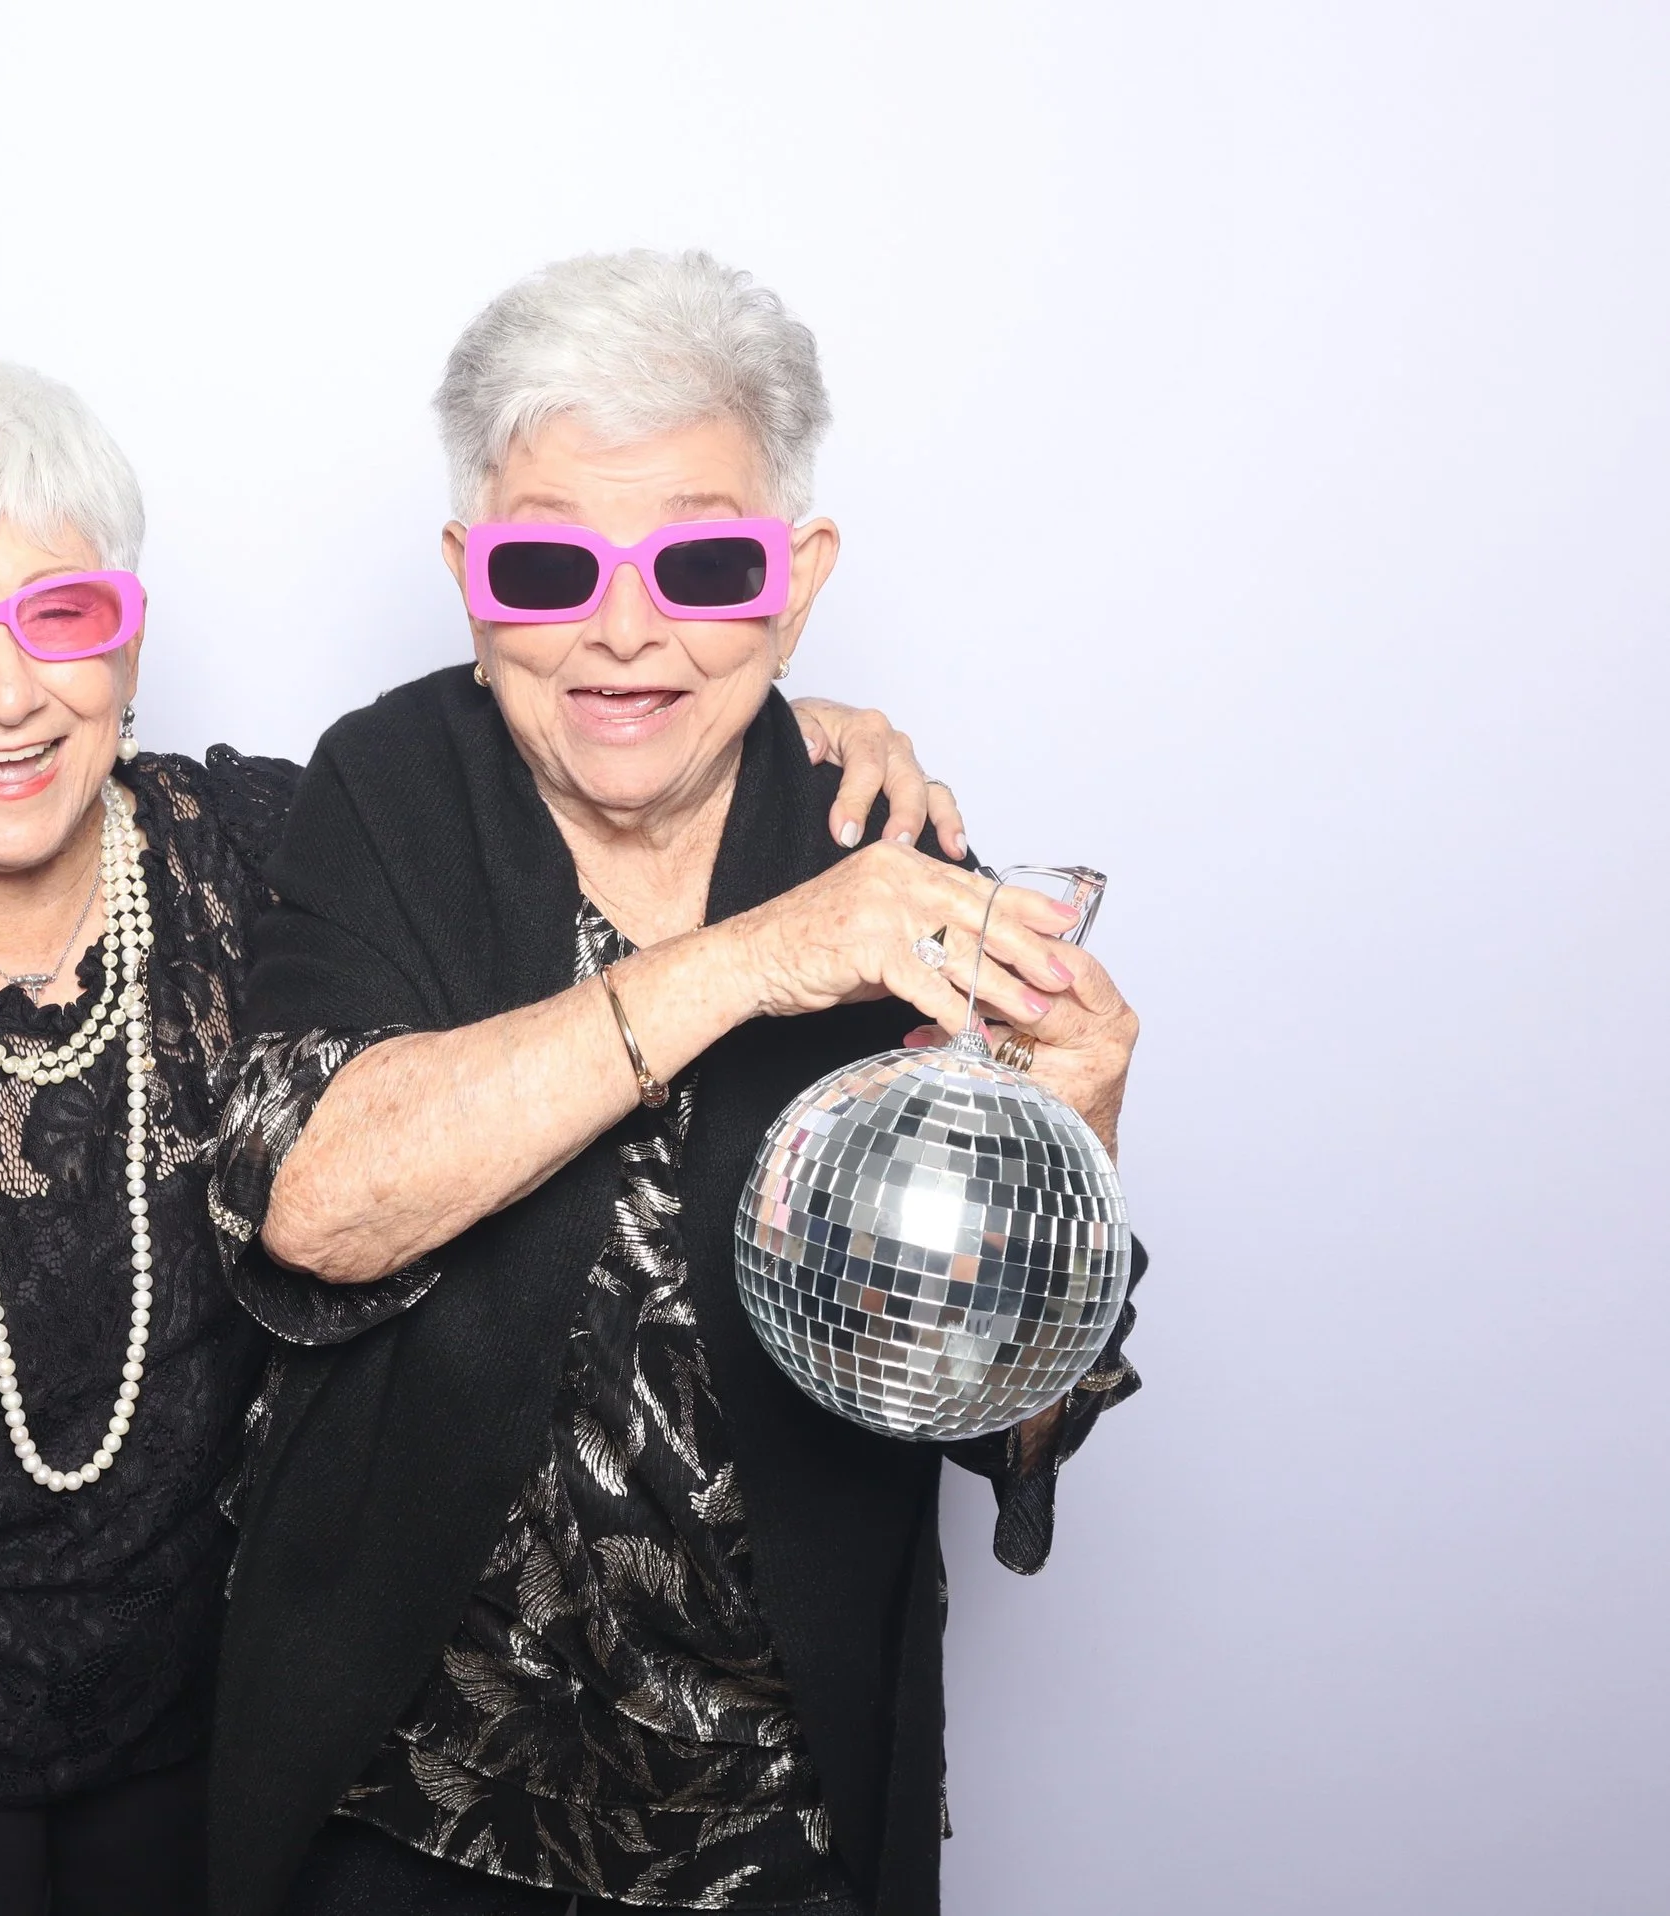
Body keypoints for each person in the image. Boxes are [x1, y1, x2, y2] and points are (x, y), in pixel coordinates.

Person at [0, 349, 957, 1916]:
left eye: (60, 616)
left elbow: (550, 758)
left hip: (200, 1743)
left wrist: (780, 723)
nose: (4, 691)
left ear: (129, 638)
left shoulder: (271, 847)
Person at [208, 251, 1148, 1916]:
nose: (625, 629)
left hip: (777, 1824)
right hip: (408, 1809)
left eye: (702, 563)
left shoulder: (889, 848)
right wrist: (752, 960)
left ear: (793, 584)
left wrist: (1072, 1139)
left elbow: (1003, 1410)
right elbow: (316, 1207)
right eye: (551, 562)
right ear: (468, 576)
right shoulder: (389, 787)